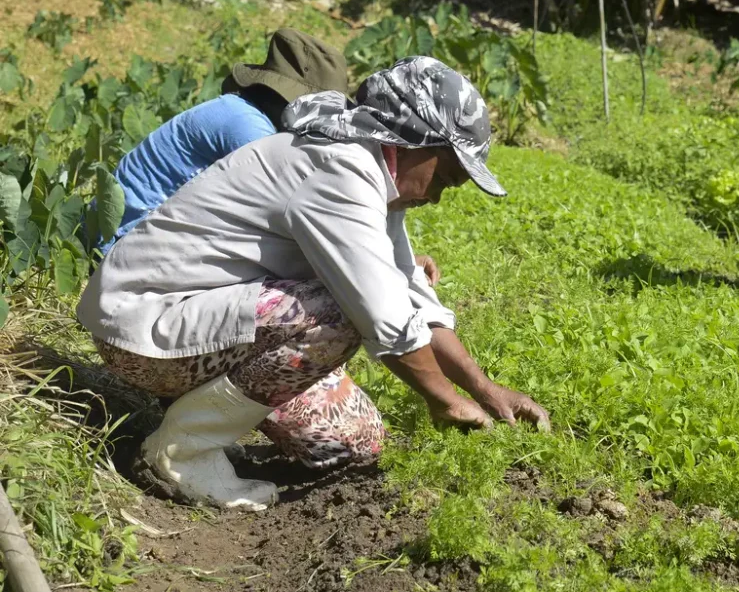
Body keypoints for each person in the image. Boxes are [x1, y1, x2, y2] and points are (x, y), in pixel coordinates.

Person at [77, 56, 551, 511]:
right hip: (143, 329)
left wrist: (485, 390)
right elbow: (384, 317)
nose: (436, 196)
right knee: (340, 312)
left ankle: (200, 426)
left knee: (352, 441)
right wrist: (445, 402)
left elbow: (411, 293)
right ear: (409, 140)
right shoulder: (341, 170)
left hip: (201, 326)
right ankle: (181, 453)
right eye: (444, 178)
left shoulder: (372, 173)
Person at [93, 28, 352, 258]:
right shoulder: (247, 127)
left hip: (120, 231)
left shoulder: (241, 111)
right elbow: (281, 205)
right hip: (121, 242)